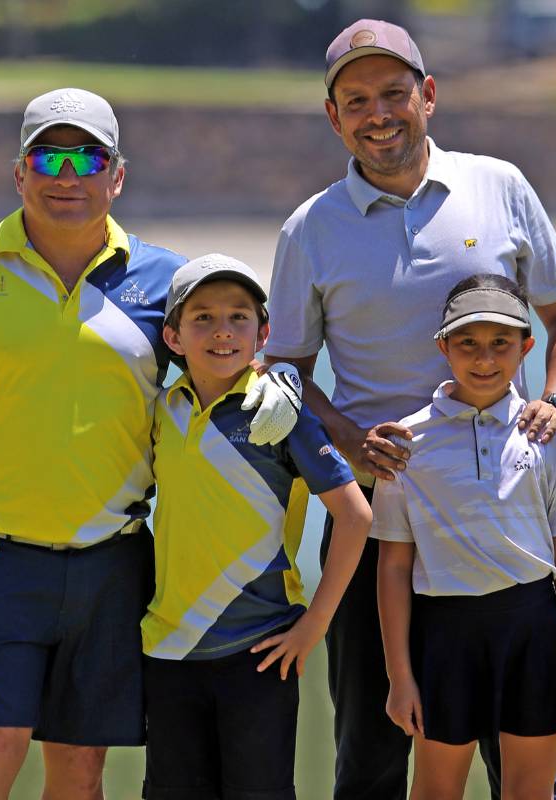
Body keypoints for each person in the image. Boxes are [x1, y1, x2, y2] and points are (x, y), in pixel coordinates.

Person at [0, 90, 300, 800]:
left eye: (89, 158)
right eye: (49, 156)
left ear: (117, 176)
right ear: (19, 172)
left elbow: (224, 358)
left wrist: (278, 382)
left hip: (115, 561)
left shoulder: (162, 282)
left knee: (79, 772)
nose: (67, 176)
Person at [264, 18, 556, 800]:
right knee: (377, 751)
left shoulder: (500, 185)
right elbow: (283, 369)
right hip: (376, 515)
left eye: (393, 93)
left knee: (521, 760)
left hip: (502, 507)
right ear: (333, 116)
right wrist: (347, 437)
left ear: (429, 95)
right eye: (356, 100)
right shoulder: (309, 230)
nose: (378, 113)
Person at [139, 254, 372, 800]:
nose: (222, 331)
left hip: (260, 650)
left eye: (239, 318)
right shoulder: (162, 410)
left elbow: (355, 515)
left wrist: (315, 625)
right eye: (202, 319)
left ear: (263, 332)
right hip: (168, 651)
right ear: (172, 336)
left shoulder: (279, 409)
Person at [374, 274, 556, 800]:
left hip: (532, 633)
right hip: (445, 634)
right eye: (468, 343)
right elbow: (394, 568)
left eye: (501, 344)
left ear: (526, 347)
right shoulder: (406, 442)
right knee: (434, 791)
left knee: (529, 792)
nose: (485, 359)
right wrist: (400, 677)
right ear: (442, 347)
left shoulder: (546, 436)